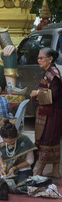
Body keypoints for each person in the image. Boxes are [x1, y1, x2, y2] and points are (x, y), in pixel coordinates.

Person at [30, 47, 62, 179]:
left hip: (53, 112)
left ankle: (39, 171)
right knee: (51, 139)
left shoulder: (54, 74)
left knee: (47, 140)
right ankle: (55, 170)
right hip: (49, 111)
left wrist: (37, 93)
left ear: (50, 59)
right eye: (38, 58)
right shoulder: (48, 72)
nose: (39, 60)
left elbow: (53, 95)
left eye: (41, 58)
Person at [0, 119, 37, 193]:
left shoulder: (24, 139)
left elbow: (30, 160)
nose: (8, 143)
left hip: (23, 169)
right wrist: (3, 167)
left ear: (16, 136)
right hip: (8, 169)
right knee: (2, 187)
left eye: (12, 141)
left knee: (20, 189)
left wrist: (14, 168)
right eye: (5, 141)